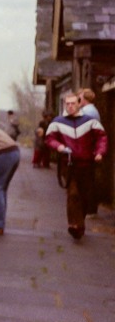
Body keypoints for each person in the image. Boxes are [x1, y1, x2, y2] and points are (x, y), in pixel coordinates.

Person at [44, 91, 108, 240]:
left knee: (85, 195)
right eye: (68, 104)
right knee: (73, 194)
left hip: (87, 163)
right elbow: (49, 138)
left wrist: (100, 152)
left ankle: (80, 222)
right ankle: (74, 225)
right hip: (69, 163)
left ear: (79, 103)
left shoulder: (90, 121)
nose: (70, 106)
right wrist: (59, 147)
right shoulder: (58, 122)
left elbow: (101, 137)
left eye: (73, 103)